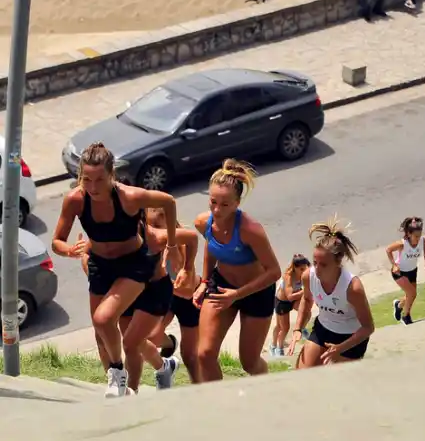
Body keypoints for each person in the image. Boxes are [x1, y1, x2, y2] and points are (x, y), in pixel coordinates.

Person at [52, 142, 179, 398]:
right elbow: (57, 241)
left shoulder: (129, 197)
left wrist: (173, 245)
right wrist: (68, 250)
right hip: (101, 265)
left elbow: (168, 201)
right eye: (87, 179)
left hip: (133, 264)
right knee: (102, 334)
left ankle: (118, 374)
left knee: (103, 319)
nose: (93, 187)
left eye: (100, 179)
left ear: (111, 174)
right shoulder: (75, 199)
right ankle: (119, 386)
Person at [192, 159, 281, 382]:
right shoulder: (204, 223)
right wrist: (204, 282)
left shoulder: (251, 231)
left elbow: (274, 272)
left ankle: (267, 389)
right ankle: (222, 405)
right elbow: (210, 248)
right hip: (221, 286)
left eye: (225, 204)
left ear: (237, 203)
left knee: (250, 363)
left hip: (255, 293)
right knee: (204, 354)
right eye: (213, 202)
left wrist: (238, 295)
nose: (217, 209)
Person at [287, 218, 375, 367]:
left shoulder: (352, 288)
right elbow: (307, 300)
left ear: (338, 262)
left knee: (339, 385)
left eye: (323, 265)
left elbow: (368, 328)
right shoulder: (309, 276)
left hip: (350, 338)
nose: (317, 269)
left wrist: (339, 348)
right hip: (323, 329)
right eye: (315, 262)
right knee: (303, 376)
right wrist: (298, 328)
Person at [145, 208, 204, 384]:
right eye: (151, 226)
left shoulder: (182, 243)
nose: (155, 231)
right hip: (168, 297)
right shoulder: (149, 242)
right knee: (150, 335)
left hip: (190, 298)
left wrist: (159, 281)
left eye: (158, 225)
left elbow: (186, 292)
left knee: (190, 356)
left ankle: (199, 390)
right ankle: (169, 345)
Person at [386, 216, 425, 325]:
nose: (418, 238)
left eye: (420, 235)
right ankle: (406, 316)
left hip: (412, 270)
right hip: (399, 272)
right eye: (416, 236)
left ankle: (399, 305)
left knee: (412, 295)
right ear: (409, 234)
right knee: (411, 293)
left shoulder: (423, 241)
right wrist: (394, 264)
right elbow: (388, 250)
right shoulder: (402, 244)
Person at [270, 253, 311, 357]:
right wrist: (305, 291)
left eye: (305, 268)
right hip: (282, 302)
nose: (304, 271)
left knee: (307, 312)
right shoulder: (288, 276)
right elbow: (290, 297)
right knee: (283, 328)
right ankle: (277, 347)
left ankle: (302, 329)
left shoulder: (306, 271)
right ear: (295, 268)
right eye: (301, 269)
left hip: (294, 299)